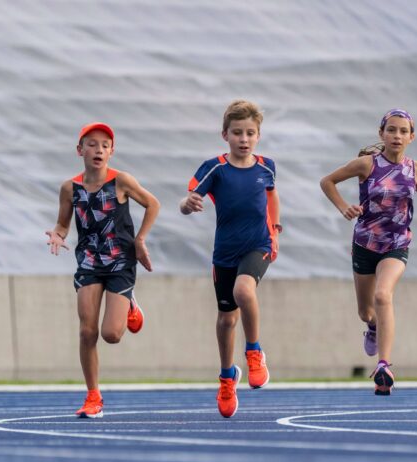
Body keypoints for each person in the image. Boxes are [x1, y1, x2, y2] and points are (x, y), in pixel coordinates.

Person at [320, 109, 417, 395]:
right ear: (381, 133)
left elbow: (416, 183)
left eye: (403, 131)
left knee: (383, 295)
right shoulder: (366, 165)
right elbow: (327, 181)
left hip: (397, 244)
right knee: (365, 311)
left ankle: (384, 365)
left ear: (412, 136)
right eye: (392, 130)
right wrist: (343, 206)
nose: (397, 136)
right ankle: (372, 327)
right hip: (364, 244)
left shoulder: (416, 166)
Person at [46, 122, 160, 418]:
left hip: (120, 262)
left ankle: (130, 305)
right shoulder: (70, 188)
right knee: (87, 331)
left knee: (111, 334)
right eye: (92, 144)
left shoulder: (121, 181)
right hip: (89, 263)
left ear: (111, 152)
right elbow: (63, 223)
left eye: (104, 145)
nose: (98, 149)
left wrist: (140, 240)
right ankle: (93, 396)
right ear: (79, 150)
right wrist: (58, 234)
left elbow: (153, 204)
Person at [179, 100, 280, 418]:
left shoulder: (267, 167)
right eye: (237, 133)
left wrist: (274, 232)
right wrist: (188, 204)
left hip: (258, 245)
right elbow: (188, 199)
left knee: (243, 291)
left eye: (250, 133)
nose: (244, 139)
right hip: (225, 252)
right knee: (226, 319)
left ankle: (254, 351)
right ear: (225, 135)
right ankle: (226, 377)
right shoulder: (215, 168)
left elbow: (271, 196)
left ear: (258, 136)